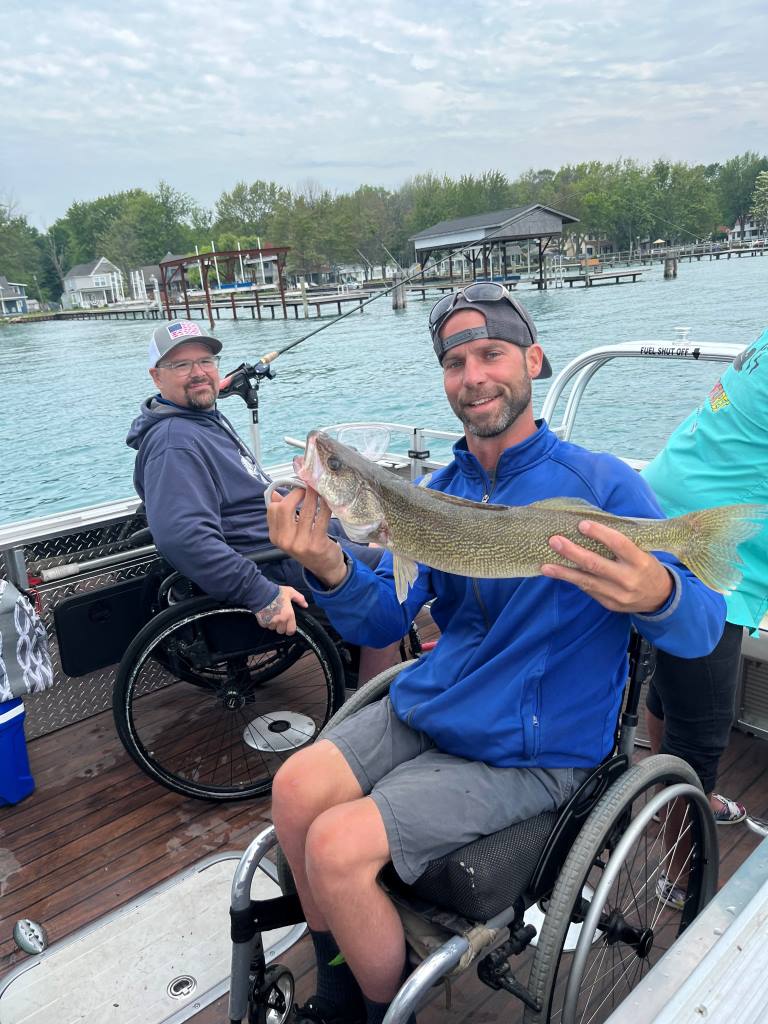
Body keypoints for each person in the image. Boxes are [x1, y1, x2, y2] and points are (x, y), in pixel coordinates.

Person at [265, 284, 726, 1024]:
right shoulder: (435, 492)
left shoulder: (601, 484)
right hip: (437, 704)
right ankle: (342, 982)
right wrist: (326, 565)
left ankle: (367, 1014)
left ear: (533, 362)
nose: (473, 375)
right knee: (294, 790)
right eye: (454, 362)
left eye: (491, 354)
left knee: (337, 846)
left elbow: (703, 627)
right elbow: (385, 610)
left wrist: (658, 595)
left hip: (533, 750)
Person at [126, 319, 399, 677]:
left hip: (288, 536)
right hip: (270, 561)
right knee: (393, 582)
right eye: (181, 365)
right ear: (156, 377)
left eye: (206, 362)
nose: (198, 373)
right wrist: (260, 593)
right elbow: (184, 537)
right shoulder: (174, 443)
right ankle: (370, 703)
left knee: (381, 539)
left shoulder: (198, 419)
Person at [641, 327, 768, 885]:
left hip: (664, 509)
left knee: (672, 689)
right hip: (709, 548)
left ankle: (673, 793)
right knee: (703, 729)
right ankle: (678, 873)